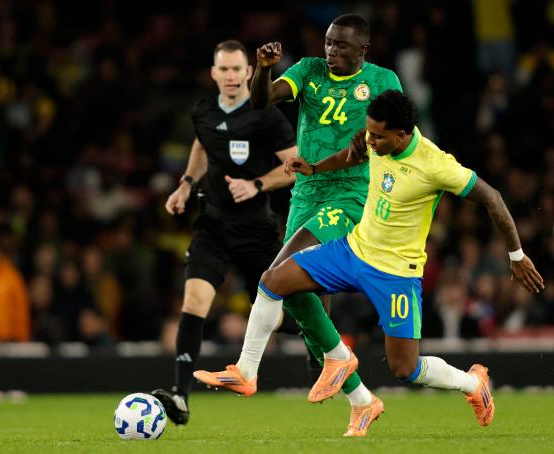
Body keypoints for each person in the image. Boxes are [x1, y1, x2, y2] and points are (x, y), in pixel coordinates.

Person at [195, 90, 545, 432]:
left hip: (395, 274)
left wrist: (517, 256)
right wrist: (315, 167)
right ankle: (247, 371)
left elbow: (494, 199)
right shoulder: (378, 137)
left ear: (402, 135)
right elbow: (354, 154)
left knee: (404, 368)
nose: (370, 140)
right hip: (352, 250)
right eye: (369, 132)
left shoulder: (436, 164)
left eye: (378, 136)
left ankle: (472, 384)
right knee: (272, 281)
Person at [242, 13, 402, 436]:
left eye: (341, 46)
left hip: (350, 192)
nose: (331, 51)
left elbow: (393, 138)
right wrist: (263, 68)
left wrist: (362, 148)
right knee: (292, 293)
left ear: (362, 50)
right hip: (306, 192)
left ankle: (248, 369)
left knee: (277, 276)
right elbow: (261, 101)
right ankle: (362, 400)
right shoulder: (309, 70)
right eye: (329, 43)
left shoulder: (383, 81)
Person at [151, 40, 299, 425]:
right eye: (225, 70)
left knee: (281, 316)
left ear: (249, 73)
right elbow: (202, 146)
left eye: (238, 69)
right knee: (193, 302)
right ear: (214, 73)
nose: (232, 76)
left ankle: (322, 354)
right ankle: (180, 397)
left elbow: (295, 165)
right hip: (213, 224)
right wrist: (185, 184)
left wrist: (257, 185)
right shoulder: (203, 109)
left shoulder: (266, 114)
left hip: (256, 229)